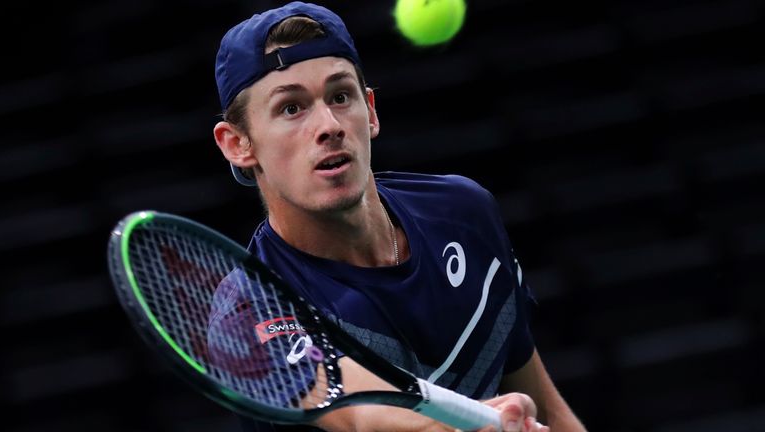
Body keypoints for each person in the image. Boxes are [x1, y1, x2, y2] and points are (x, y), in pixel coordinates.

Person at [212, 2, 586, 431]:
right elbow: (362, 415)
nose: (330, 125)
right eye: (291, 108)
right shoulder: (249, 311)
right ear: (238, 144)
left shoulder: (463, 213)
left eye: (340, 96)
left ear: (369, 110)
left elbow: (545, 404)